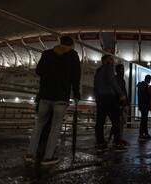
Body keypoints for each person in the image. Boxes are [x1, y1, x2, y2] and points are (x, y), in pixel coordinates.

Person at [26, 36, 81, 165]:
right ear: (71, 45)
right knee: (55, 128)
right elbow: (76, 76)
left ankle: (30, 154)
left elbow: (38, 71)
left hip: (45, 95)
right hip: (61, 97)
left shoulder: (47, 54)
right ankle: (48, 157)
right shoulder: (73, 55)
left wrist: (50, 73)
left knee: (39, 125)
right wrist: (76, 93)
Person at [94, 54, 126, 151]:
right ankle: (117, 142)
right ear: (106, 60)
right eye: (111, 59)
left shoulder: (98, 71)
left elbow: (95, 86)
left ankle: (100, 142)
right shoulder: (108, 68)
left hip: (100, 98)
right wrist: (121, 94)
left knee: (100, 121)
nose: (113, 61)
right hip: (109, 97)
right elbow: (113, 82)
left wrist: (97, 98)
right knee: (116, 120)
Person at [109, 64, 129, 146]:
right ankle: (116, 139)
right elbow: (119, 91)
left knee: (120, 122)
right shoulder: (117, 79)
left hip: (122, 103)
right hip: (119, 103)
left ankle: (117, 138)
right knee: (118, 122)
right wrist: (122, 102)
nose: (123, 71)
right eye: (121, 69)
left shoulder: (121, 79)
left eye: (123, 69)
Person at [137, 75, 151, 140]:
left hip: (143, 105)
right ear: (147, 79)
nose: (150, 80)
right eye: (149, 79)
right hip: (144, 105)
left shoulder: (141, 85)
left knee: (144, 120)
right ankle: (142, 134)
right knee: (144, 120)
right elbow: (145, 96)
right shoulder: (144, 86)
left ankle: (145, 133)